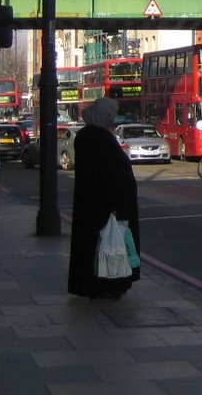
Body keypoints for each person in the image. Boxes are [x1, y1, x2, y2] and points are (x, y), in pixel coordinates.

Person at [68, 97, 140, 300]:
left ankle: (93, 284)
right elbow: (109, 174)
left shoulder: (86, 136)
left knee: (94, 246)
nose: (112, 118)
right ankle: (109, 283)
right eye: (110, 114)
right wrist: (115, 204)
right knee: (108, 247)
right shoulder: (100, 138)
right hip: (106, 205)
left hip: (92, 205)